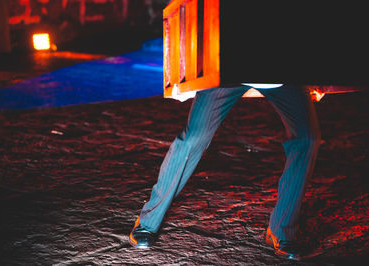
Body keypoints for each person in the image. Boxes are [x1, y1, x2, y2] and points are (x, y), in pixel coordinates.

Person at [129, 84, 321, 260]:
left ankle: (282, 229)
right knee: (193, 138)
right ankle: (148, 221)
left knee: (307, 139)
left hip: (281, 74)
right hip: (229, 71)